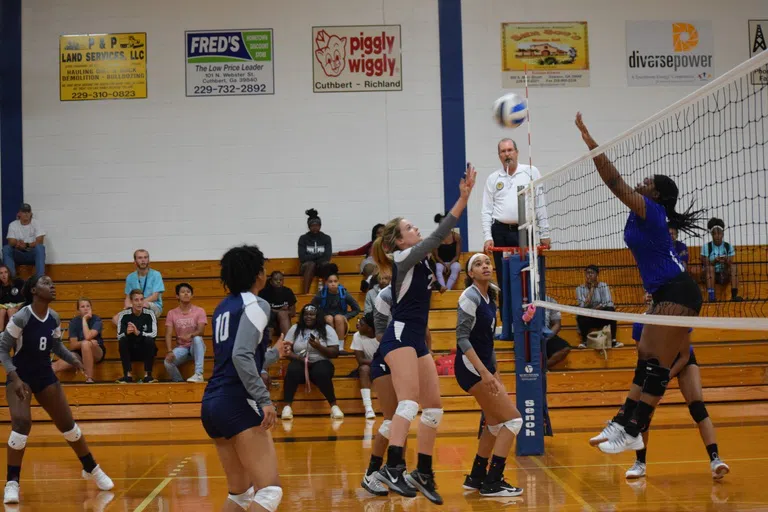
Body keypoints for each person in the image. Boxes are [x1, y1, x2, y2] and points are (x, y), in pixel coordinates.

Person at [575, 112, 704, 454]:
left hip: (679, 289)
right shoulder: (639, 211)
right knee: (646, 356)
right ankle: (622, 421)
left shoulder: (649, 208)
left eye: (647, 181)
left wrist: (591, 145)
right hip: (665, 291)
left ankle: (634, 429)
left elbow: (614, 181)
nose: (641, 182)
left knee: (658, 364)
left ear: (656, 194)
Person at [371, 165, 477, 504]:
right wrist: (462, 200)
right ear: (399, 241)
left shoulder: (423, 262)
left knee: (433, 409)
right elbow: (436, 236)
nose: (416, 229)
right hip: (399, 335)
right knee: (408, 403)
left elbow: (444, 246)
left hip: (416, 338)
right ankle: (393, 466)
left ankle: (423, 471)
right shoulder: (403, 256)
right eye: (409, 227)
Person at [0, 275, 113, 504]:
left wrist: (72, 358)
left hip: (45, 377)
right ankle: (12, 482)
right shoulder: (22, 317)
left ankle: (91, 468)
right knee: (22, 424)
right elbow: (3, 350)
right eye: (46, 283)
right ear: (33, 290)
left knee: (68, 426)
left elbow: (55, 345)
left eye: (53, 282)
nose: (53, 286)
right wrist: (14, 377)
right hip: (20, 377)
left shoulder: (53, 317)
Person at [200, 244, 289, 512]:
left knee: (240, 495)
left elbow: (234, 356)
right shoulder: (258, 304)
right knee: (269, 492)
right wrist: (264, 399)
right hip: (237, 401)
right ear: (258, 273)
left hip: (213, 403)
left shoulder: (222, 307)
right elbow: (240, 356)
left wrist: (272, 354)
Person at [455, 253, 524, 497]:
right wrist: (484, 373)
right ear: (470, 273)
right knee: (514, 421)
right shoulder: (469, 297)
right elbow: (462, 339)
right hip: (470, 367)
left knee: (494, 424)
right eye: (478, 263)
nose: (485, 265)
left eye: (487, 262)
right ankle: (493, 481)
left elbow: (487, 343)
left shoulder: (490, 295)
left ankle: (476, 477)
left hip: (483, 367)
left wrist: (496, 373)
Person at [623, 323, 729, 480]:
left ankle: (715, 460)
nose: (650, 298)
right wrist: (655, 382)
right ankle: (640, 464)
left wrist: (665, 378)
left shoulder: (678, 317)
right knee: (645, 413)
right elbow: (643, 358)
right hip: (656, 364)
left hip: (682, 361)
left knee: (697, 407)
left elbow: (685, 356)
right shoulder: (640, 323)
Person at [481, 139, 551, 295]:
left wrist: (545, 233)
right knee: (503, 278)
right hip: (500, 232)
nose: (507, 154)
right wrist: (487, 236)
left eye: (510, 150)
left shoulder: (531, 172)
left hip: (525, 230)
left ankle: (528, 315)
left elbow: (540, 203)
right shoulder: (493, 178)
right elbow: (486, 210)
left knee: (527, 275)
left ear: (517, 152)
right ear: (499, 155)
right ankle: (508, 318)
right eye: (503, 151)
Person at [281, 304, 343, 421]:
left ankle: (334, 406)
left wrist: (319, 347)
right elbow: (285, 350)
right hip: (300, 362)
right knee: (292, 369)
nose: (308, 317)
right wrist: (299, 358)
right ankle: (287, 407)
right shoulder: (295, 328)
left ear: (318, 316)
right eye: (306, 314)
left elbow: (334, 352)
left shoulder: (327, 329)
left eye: (311, 314)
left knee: (321, 371)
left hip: (321, 362)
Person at [52, 298, 105, 384]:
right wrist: (87, 341)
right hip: (78, 353)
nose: (86, 308)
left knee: (86, 344)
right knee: (56, 365)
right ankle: (42, 382)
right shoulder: (74, 322)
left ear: (91, 307)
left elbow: (88, 336)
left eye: (88, 306)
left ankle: (89, 378)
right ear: (78, 310)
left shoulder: (96, 320)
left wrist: (84, 320)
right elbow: (73, 345)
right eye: (82, 306)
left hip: (96, 351)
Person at [164, 283, 207, 383]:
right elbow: (168, 334)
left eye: (188, 292)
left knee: (197, 338)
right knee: (167, 362)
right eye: (183, 292)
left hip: (196, 346)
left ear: (192, 295)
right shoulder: (172, 313)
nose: (186, 294)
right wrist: (170, 351)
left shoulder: (199, 311)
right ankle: (179, 382)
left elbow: (201, 332)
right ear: (177, 296)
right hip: (181, 347)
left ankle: (199, 374)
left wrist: (190, 335)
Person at [115, 290, 159, 384]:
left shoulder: (149, 314)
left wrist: (138, 333)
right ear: (131, 302)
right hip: (131, 351)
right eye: (136, 300)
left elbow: (154, 334)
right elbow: (119, 335)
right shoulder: (124, 315)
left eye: (141, 299)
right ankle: (127, 375)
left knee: (149, 341)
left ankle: (148, 375)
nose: (139, 303)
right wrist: (126, 332)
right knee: (123, 340)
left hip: (145, 350)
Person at [311, 267, 361, 348]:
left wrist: (346, 316)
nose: (333, 284)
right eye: (330, 282)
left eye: (335, 281)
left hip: (342, 322)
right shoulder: (321, 294)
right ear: (326, 283)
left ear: (338, 282)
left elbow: (357, 309)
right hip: (327, 322)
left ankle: (340, 347)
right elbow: (312, 307)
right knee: (329, 318)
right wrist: (321, 316)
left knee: (338, 317)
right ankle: (331, 344)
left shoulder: (344, 294)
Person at [575, 265, 622, 349]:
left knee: (611, 310)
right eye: (587, 273)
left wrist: (595, 309)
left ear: (597, 275)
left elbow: (608, 303)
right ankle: (585, 341)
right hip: (588, 318)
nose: (589, 275)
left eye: (592, 273)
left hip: (601, 316)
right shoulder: (579, 288)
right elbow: (582, 306)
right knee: (580, 316)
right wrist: (592, 289)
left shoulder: (603, 286)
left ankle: (613, 341)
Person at [113, 249, 165, 325]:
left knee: (145, 305)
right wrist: (127, 306)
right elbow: (128, 297)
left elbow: (155, 297)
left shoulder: (156, 274)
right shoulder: (130, 277)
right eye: (140, 258)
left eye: (145, 257)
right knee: (115, 319)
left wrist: (138, 304)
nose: (143, 260)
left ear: (149, 260)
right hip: (135, 306)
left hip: (153, 306)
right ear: (135, 261)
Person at [701, 217, 742, 302]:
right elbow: (705, 264)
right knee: (710, 268)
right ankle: (711, 297)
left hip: (724, 274)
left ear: (722, 234)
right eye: (714, 234)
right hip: (711, 275)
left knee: (734, 268)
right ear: (711, 235)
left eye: (719, 233)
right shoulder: (706, 247)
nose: (717, 236)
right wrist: (714, 261)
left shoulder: (728, 246)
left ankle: (734, 296)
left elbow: (731, 263)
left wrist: (726, 260)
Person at [335, 223, 385, 291]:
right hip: (371, 264)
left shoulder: (390, 245)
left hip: (383, 265)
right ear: (375, 235)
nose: (381, 235)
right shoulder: (370, 244)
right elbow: (356, 252)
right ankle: (371, 288)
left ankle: (370, 283)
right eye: (379, 233)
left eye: (384, 232)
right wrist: (339, 253)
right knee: (370, 268)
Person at [2, 203, 47, 278]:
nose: (26, 214)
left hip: (32, 255)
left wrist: (26, 245)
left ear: (31, 213)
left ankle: (40, 279)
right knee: (6, 248)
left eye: (28, 212)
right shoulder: (13, 224)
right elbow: (11, 241)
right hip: (19, 254)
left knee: (40, 248)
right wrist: (18, 244)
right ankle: (11, 279)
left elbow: (40, 241)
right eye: (24, 212)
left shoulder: (36, 223)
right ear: (19, 213)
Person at [350, 312, 379, 420]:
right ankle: (368, 408)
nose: (358, 325)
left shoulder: (383, 335)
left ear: (370, 329)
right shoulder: (357, 336)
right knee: (363, 369)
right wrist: (377, 361)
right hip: (372, 365)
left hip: (386, 365)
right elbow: (360, 360)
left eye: (361, 324)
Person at [298, 209, 332, 294]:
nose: (315, 227)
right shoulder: (303, 238)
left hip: (321, 266)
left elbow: (327, 256)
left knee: (327, 265)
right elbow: (302, 258)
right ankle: (305, 294)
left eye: (317, 225)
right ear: (309, 226)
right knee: (310, 264)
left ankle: (328, 293)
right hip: (307, 267)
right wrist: (319, 255)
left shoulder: (326, 238)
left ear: (320, 226)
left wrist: (312, 257)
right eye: (312, 225)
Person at [258, 271, 297, 337]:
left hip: (283, 322)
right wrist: (279, 310)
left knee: (282, 314)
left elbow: (293, 313)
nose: (278, 281)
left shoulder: (288, 292)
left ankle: (287, 343)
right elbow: (261, 311)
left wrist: (278, 312)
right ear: (270, 281)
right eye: (275, 280)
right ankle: (268, 344)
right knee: (270, 315)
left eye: (281, 280)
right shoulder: (263, 293)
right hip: (268, 322)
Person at [432, 214, 462, 292]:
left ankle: (448, 290)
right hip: (441, 262)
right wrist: (444, 264)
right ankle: (443, 288)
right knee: (438, 268)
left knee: (456, 267)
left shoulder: (456, 236)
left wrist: (449, 264)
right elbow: (436, 256)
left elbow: (457, 255)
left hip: (453, 262)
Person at [543, 296, 571, 370]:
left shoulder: (551, 301)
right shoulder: (521, 299)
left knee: (565, 348)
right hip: (527, 334)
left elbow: (557, 324)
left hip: (546, 333)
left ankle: (542, 369)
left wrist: (546, 338)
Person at [0, 264, 25, 332]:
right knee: (1, 311)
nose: (3, 275)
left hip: (19, 305)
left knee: (10, 310)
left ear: (9, 273)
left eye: (5, 272)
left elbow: (26, 295)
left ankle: (12, 333)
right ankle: (1, 333)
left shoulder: (18, 282)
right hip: (5, 307)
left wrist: (19, 306)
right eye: (1, 273)